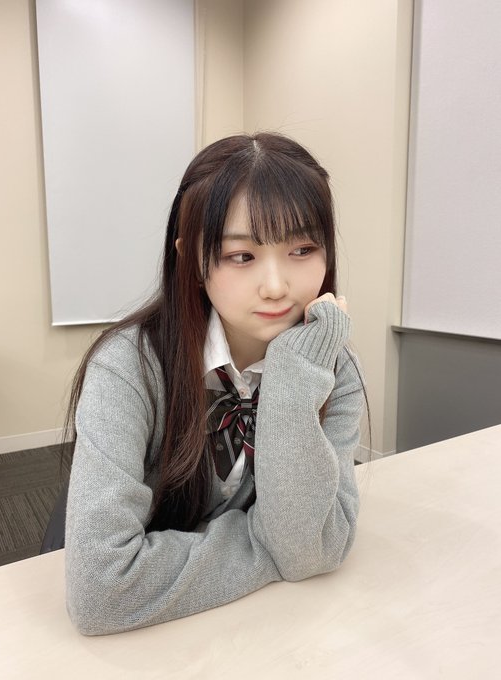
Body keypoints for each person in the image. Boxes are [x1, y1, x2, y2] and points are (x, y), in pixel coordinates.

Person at [64, 132, 366, 636]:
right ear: (192, 259)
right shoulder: (129, 368)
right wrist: (271, 543)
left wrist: (293, 383)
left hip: (262, 632)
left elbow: (313, 552)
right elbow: (102, 590)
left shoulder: (335, 370)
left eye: (302, 249)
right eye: (241, 256)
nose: (277, 287)